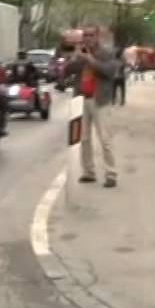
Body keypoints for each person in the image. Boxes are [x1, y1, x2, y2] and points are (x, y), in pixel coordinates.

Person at [65, 27, 121, 188]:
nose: (88, 38)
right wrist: (75, 58)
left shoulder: (107, 53)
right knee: (84, 138)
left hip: (100, 100)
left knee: (105, 139)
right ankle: (88, 172)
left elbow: (110, 72)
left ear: (98, 37)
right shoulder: (81, 52)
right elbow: (67, 72)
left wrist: (91, 60)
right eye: (85, 35)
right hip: (82, 99)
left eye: (91, 35)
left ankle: (111, 174)